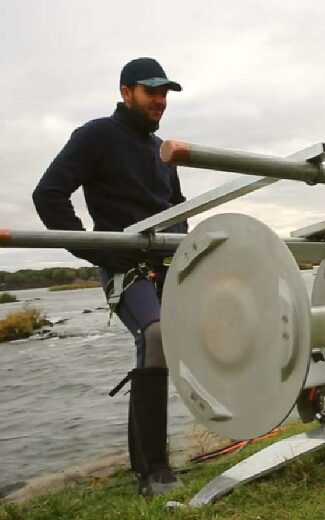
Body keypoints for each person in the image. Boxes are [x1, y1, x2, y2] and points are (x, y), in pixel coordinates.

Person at [32, 57, 187, 496]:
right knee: (155, 336)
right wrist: (100, 251)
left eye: (165, 92)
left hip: (169, 265)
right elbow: (48, 195)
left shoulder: (162, 151)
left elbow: (178, 210)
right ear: (126, 92)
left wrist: (185, 252)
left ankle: (166, 455)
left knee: (193, 336)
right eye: (151, 90)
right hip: (125, 268)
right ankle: (153, 473)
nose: (160, 99)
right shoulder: (96, 135)